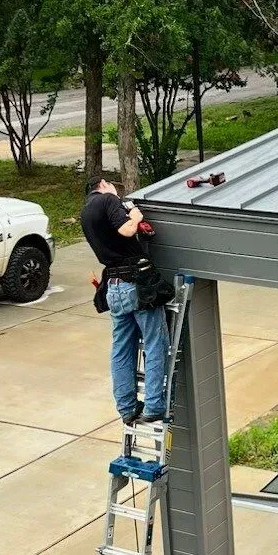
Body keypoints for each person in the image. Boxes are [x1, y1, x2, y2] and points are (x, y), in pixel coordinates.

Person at [80, 178, 167, 425]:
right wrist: (135, 216)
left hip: (114, 287)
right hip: (135, 284)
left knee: (121, 348)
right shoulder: (109, 199)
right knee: (154, 343)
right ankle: (153, 405)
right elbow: (127, 230)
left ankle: (127, 408)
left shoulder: (85, 212)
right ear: (103, 184)